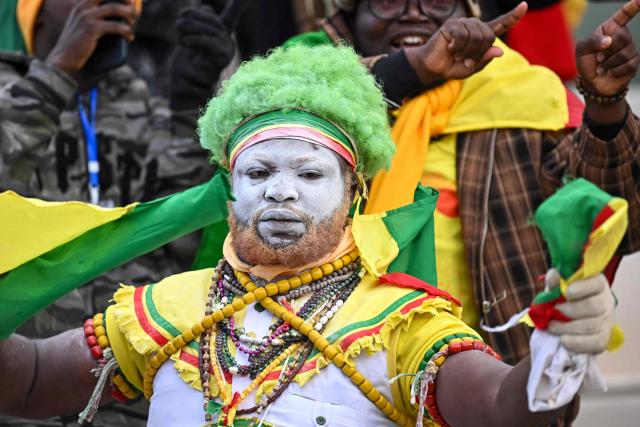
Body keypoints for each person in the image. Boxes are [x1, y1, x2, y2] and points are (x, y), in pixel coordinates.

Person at [0, 44, 619, 427]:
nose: (280, 191)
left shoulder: (404, 321)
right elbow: (27, 382)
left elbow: (502, 412)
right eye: (259, 172)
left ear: (355, 192)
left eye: (310, 173)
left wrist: (558, 344)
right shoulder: (166, 307)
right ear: (230, 186)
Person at [288, 0, 640, 364]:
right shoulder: (302, 91)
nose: (414, 14)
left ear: (472, 16)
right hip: (329, 383)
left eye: (439, 1)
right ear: (350, 17)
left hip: (496, 385)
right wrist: (414, 69)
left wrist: (606, 106)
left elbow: (618, 226)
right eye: (388, 1)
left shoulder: (530, 98)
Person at [0, 0, 217, 425]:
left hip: (128, 395)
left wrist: (191, 106)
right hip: (18, 389)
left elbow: (185, 241)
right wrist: (59, 70)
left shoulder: (145, 100)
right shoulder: (8, 86)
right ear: (36, 13)